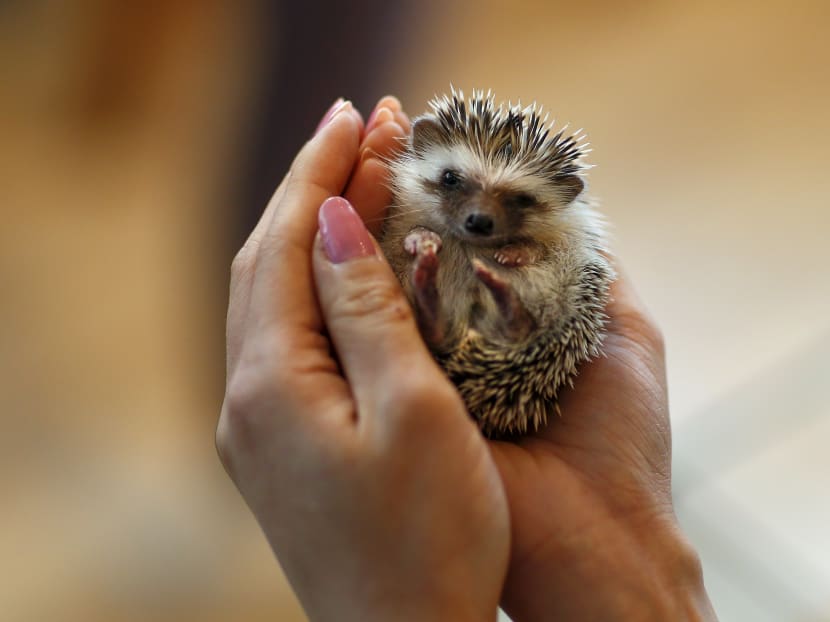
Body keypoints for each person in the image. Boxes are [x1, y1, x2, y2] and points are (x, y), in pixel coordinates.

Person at [215, 96, 719, 621]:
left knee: (528, 290)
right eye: (454, 183)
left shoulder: (557, 243)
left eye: (519, 202)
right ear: (425, 152)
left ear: (564, 201)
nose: (480, 214)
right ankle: (465, 309)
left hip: (513, 334)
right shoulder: (415, 203)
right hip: (483, 323)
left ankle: (487, 312)